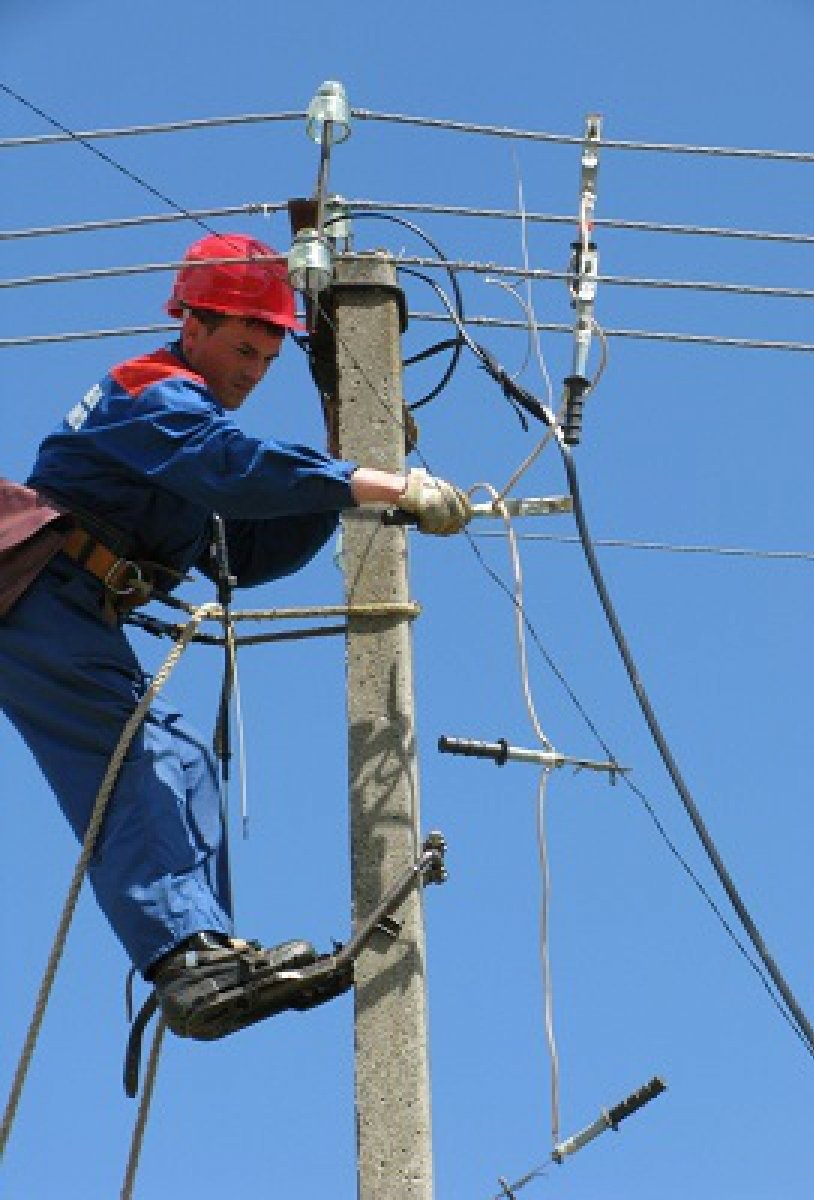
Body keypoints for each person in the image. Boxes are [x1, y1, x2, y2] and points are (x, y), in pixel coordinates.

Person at [0, 233, 471, 1044]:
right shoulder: (152, 394)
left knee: (182, 760)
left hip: (72, 611)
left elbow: (242, 548)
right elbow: (235, 467)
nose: (253, 369)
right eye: (242, 347)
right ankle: (183, 960)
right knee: (136, 758)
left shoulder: (189, 438)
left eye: (267, 355)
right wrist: (379, 482)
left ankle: (209, 950)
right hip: (37, 599)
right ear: (193, 326)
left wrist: (337, 496)